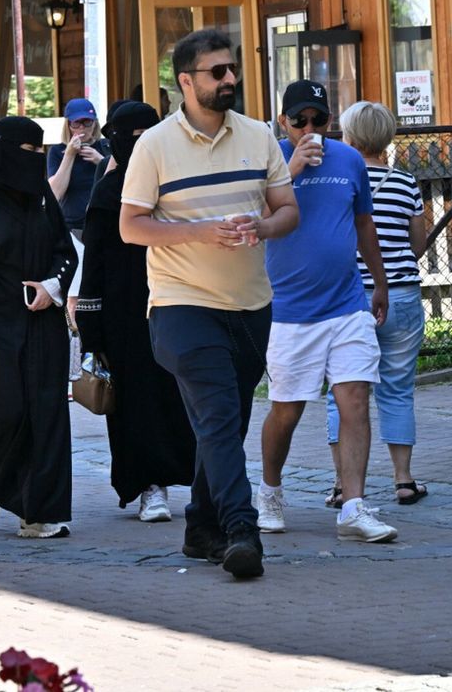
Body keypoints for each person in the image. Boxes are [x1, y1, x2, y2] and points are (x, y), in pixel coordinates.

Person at [121, 28, 299, 579]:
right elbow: (131, 227)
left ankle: (201, 527)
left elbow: (288, 210)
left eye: (232, 69)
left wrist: (262, 226)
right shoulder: (152, 145)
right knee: (220, 418)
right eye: (217, 72)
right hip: (180, 305)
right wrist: (199, 231)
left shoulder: (258, 136)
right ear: (185, 82)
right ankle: (240, 531)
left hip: (250, 306)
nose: (229, 79)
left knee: (224, 424)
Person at [255, 81, 395, 544]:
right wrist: (289, 170)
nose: (310, 129)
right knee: (287, 410)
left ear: (331, 121)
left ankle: (353, 505)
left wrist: (379, 281)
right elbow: (255, 216)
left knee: (354, 399)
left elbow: (362, 222)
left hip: (347, 303)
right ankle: (270, 490)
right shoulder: (269, 159)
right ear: (283, 122)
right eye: (300, 121)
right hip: (290, 312)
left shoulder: (350, 159)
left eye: (319, 119)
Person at [0, 116, 78, 539]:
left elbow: (66, 252)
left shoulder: (42, 200)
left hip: (43, 324)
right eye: (29, 151)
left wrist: (52, 286)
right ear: (7, 152)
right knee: (10, 411)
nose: (38, 159)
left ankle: (37, 514)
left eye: (41, 150)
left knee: (47, 415)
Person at [76, 101, 195, 522]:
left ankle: (192, 482)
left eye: (151, 135)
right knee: (134, 403)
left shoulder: (175, 185)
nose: (143, 145)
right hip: (124, 317)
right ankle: (148, 487)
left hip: (176, 301)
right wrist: (91, 328)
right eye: (135, 137)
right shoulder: (108, 194)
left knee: (179, 396)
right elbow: (94, 265)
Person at [323, 100, 428, 507]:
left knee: (342, 393)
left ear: (347, 137)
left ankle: (339, 483)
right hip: (401, 293)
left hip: (347, 297)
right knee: (398, 390)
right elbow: (416, 244)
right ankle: (403, 480)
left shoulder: (339, 180)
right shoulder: (406, 182)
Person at [46, 97, 109, 240]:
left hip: (105, 223)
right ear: (68, 125)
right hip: (73, 226)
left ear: (95, 123)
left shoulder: (106, 146)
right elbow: (55, 193)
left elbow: (123, 182)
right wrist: (69, 155)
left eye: (87, 122)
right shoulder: (57, 151)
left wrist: (102, 161)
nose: (82, 128)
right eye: (76, 123)